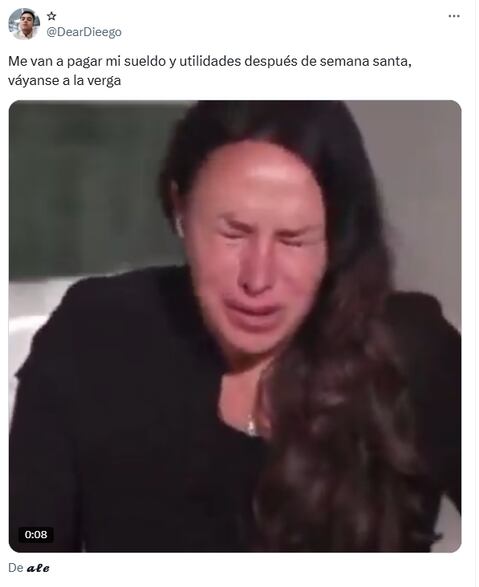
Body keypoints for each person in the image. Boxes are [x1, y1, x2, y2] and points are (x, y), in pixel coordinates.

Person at [9, 101, 461, 552]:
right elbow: (29, 542)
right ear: (180, 210)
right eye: (234, 233)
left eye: (293, 240)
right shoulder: (97, 332)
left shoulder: (412, 353)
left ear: (337, 238)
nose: (257, 279)